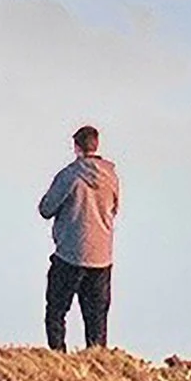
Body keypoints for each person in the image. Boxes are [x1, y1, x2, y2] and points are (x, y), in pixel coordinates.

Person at [38, 125, 119, 349]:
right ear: (96, 144)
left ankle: (58, 361)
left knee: (56, 311)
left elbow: (46, 209)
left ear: (76, 147)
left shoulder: (69, 176)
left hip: (69, 255)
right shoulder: (112, 177)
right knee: (97, 321)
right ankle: (97, 367)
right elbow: (115, 209)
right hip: (102, 257)